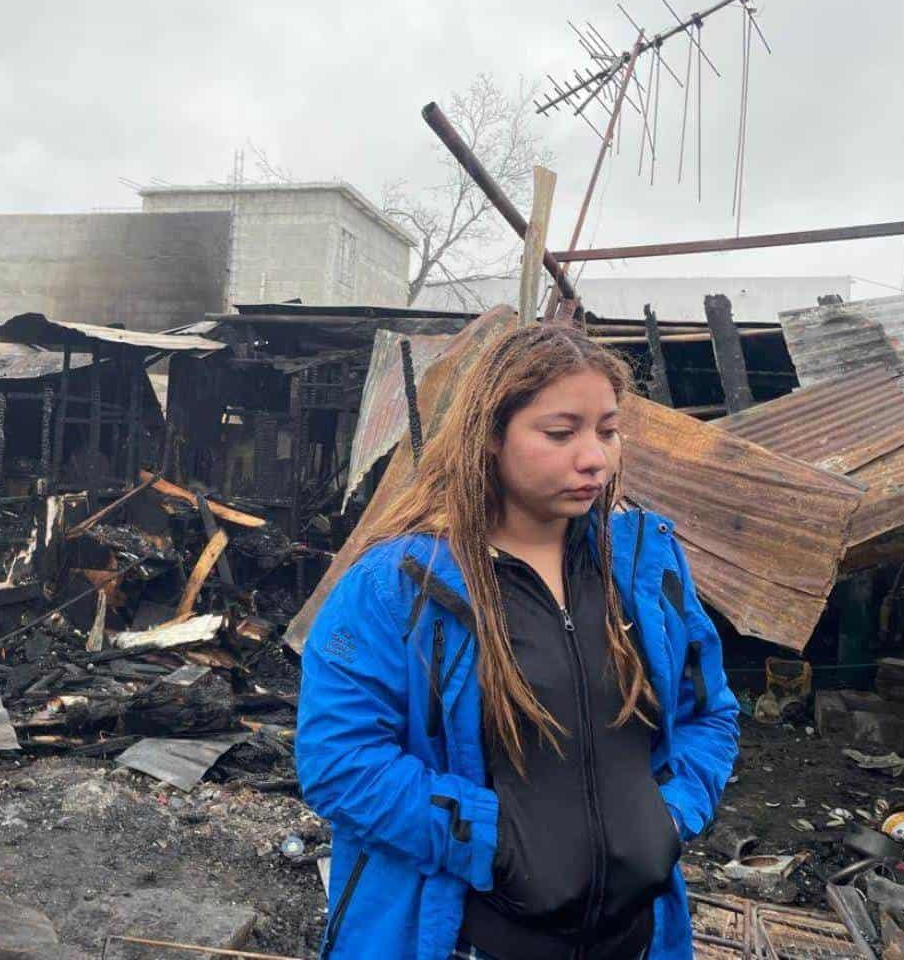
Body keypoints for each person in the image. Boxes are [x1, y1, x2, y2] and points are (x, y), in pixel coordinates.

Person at [296, 322, 739, 960]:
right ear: (491, 435)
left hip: (635, 941)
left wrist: (669, 816)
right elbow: (339, 762)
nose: (594, 457)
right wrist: (493, 842)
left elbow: (712, 714)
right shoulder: (399, 586)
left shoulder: (644, 567)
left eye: (608, 431)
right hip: (465, 941)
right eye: (561, 433)